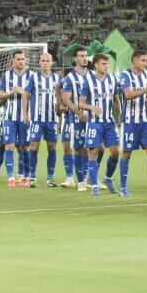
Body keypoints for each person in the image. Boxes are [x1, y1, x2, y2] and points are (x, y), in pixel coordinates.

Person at [115, 49, 147, 197]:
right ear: (134, 61)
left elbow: (146, 96)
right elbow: (128, 95)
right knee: (126, 153)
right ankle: (123, 187)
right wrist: (146, 89)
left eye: (146, 61)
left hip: (145, 121)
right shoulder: (125, 75)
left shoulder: (145, 74)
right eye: (143, 60)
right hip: (129, 122)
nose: (145, 64)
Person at [81, 52, 121, 196]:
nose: (106, 66)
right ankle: (94, 186)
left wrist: (119, 113)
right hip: (94, 123)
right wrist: (92, 108)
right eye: (103, 64)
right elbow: (81, 103)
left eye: (107, 64)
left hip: (109, 122)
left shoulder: (112, 79)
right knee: (93, 152)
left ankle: (108, 178)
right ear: (96, 65)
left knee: (116, 152)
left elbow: (116, 98)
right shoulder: (88, 81)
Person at [24, 51, 61, 187]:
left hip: (52, 120)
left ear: (52, 63)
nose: (45, 63)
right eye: (43, 61)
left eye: (48, 61)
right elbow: (26, 95)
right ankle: (32, 177)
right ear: (39, 63)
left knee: (52, 147)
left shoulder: (57, 78)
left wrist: (60, 116)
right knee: (33, 146)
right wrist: (25, 113)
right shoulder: (33, 77)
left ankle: (50, 178)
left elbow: (60, 98)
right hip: (37, 120)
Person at [0, 50, 31, 187]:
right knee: (9, 145)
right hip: (9, 117)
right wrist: (12, 92)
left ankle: (23, 176)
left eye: (22, 59)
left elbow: (34, 95)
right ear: (13, 61)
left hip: (25, 117)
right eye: (18, 59)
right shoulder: (6, 75)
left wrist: (23, 92)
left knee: (24, 147)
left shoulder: (32, 76)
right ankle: (11, 177)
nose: (21, 61)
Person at [58, 46, 92, 188]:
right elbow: (61, 92)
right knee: (68, 146)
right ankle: (70, 177)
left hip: (90, 120)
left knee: (87, 149)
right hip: (72, 119)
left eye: (86, 56)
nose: (84, 58)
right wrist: (75, 111)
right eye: (81, 56)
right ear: (75, 59)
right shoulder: (69, 77)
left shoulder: (93, 75)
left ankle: (86, 177)